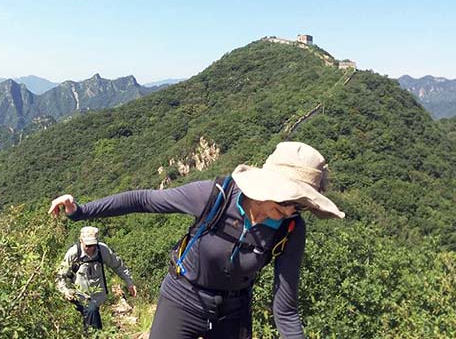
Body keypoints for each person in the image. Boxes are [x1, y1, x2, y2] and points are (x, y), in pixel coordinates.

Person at [49, 142, 345, 339]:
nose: (291, 211)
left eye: (301, 205)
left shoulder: (291, 228)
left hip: (234, 309)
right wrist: (81, 211)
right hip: (183, 297)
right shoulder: (216, 196)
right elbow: (144, 200)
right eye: (287, 202)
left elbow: (286, 310)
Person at [56, 226, 138, 332]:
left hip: (97, 297)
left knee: (92, 321)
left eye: (93, 245)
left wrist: (129, 282)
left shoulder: (102, 250)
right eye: (88, 245)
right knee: (92, 315)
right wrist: (65, 291)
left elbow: (117, 265)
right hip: (79, 296)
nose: (90, 248)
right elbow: (59, 276)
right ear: (81, 241)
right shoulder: (73, 253)